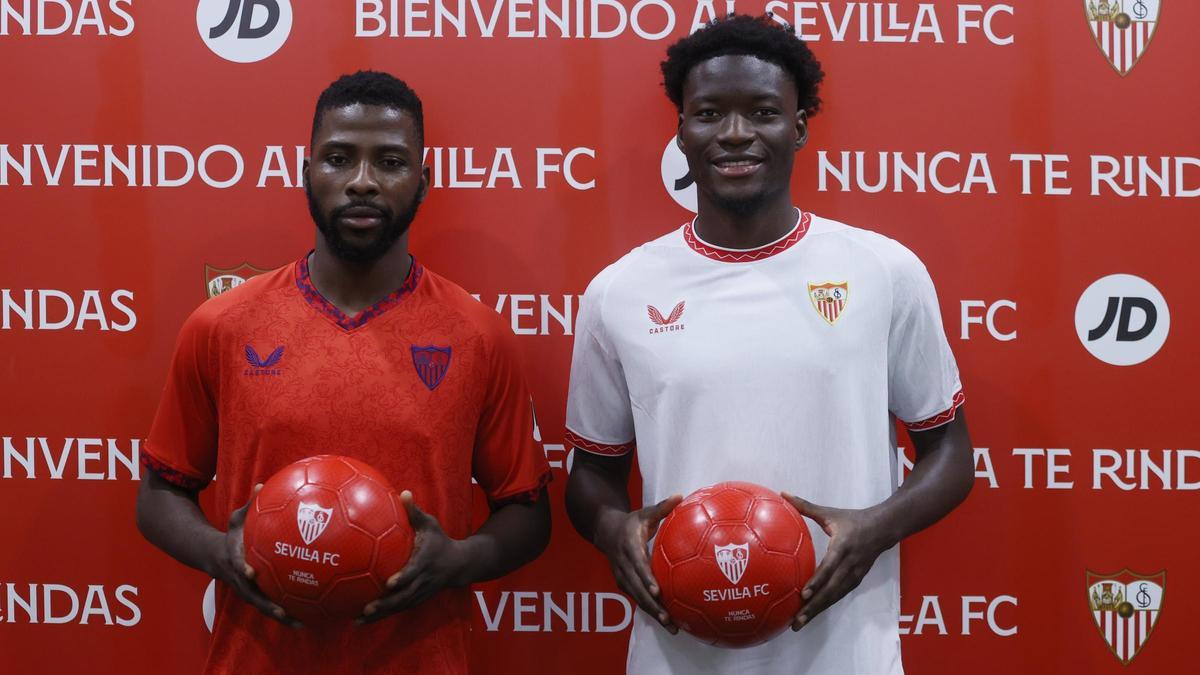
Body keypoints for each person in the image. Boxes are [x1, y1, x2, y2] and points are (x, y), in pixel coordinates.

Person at [564, 15, 973, 675]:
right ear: (682, 132)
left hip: (846, 652)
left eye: (762, 112)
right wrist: (614, 530)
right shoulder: (619, 292)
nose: (734, 134)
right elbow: (592, 473)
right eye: (708, 114)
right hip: (678, 653)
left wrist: (876, 526)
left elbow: (950, 450)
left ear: (800, 125)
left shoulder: (883, 271)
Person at [136, 70, 552, 674]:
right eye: (338, 158)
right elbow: (158, 496)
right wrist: (222, 552)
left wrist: (455, 561)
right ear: (307, 172)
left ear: (423, 181)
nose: (362, 182)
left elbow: (527, 514)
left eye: (389, 161)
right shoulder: (223, 325)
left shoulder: (477, 335)